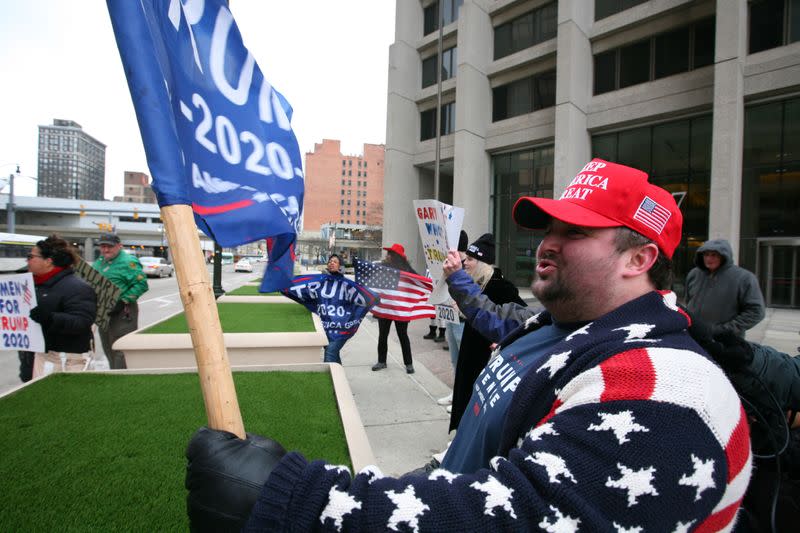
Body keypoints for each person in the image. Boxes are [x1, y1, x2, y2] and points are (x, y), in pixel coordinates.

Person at [186, 159, 751, 531]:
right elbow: (489, 317)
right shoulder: (556, 326)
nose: (546, 244)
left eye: (574, 232)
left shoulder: (667, 391)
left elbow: (519, 515)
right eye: (549, 228)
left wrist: (303, 503)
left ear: (639, 258)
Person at [447, 233, 525, 431]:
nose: (466, 263)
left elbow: (522, 322)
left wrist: (505, 341)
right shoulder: (477, 284)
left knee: (477, 405)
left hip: (486, 359)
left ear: (483, 263)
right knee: (465, 395)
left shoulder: (502, 287)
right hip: (471, 353)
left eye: (471, 259)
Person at [18, 235, 97, 382]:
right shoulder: (29, 286)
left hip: (63, 364)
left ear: (48, 261)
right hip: (35, 360)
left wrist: (50, 318)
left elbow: (82, 322)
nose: (27, 260)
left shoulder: (77, 288)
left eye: (30, 256)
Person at [685, 238, 765, 337]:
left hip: (725, 341)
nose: (709, 259)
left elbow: (756, 311)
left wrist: (723, 330)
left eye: (714, 255)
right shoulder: (694, 274)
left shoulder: (744, 278)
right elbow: (688, 302)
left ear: (724, 256)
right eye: (706, 254)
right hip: (694, 336)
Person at [92, 232, 148, 369]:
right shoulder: (99, 262)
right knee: (107, 346)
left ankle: (122, 376)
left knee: (121, 348)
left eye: (109, 247)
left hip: (122, 312)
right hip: (103, 311)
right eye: (103, 246)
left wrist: (123, 300)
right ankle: (114, 373)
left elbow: (142, 284)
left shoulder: (129, 262)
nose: (105, 250)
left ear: (119, 246)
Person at [371, 243, 418, 374]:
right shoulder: (382, 267)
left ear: (395, 256)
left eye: (390, 254)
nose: (387, 256)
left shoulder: (407, 269)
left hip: (400, 309)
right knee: (383, 335)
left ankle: (409, 364)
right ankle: (381, 361)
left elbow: (418, 282)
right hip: (385, 308)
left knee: (403, 335)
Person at [437, 229, 469, 408]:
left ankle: (462, 399)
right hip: (450, 316)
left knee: (464, 361)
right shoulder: (450, 264)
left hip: (463, 319)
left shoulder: (467, 264)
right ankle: (457, 393)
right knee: (455, 359)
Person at [322, 254, 347, 364]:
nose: (331, 263)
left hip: (341, 326)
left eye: (335, 262)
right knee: (333, 354)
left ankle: (329, 378)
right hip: (326, 325)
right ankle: (340, 378)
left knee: (330, 353)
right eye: (330, 261)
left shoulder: (346, 284)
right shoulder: (321, 281)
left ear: (340, 266)